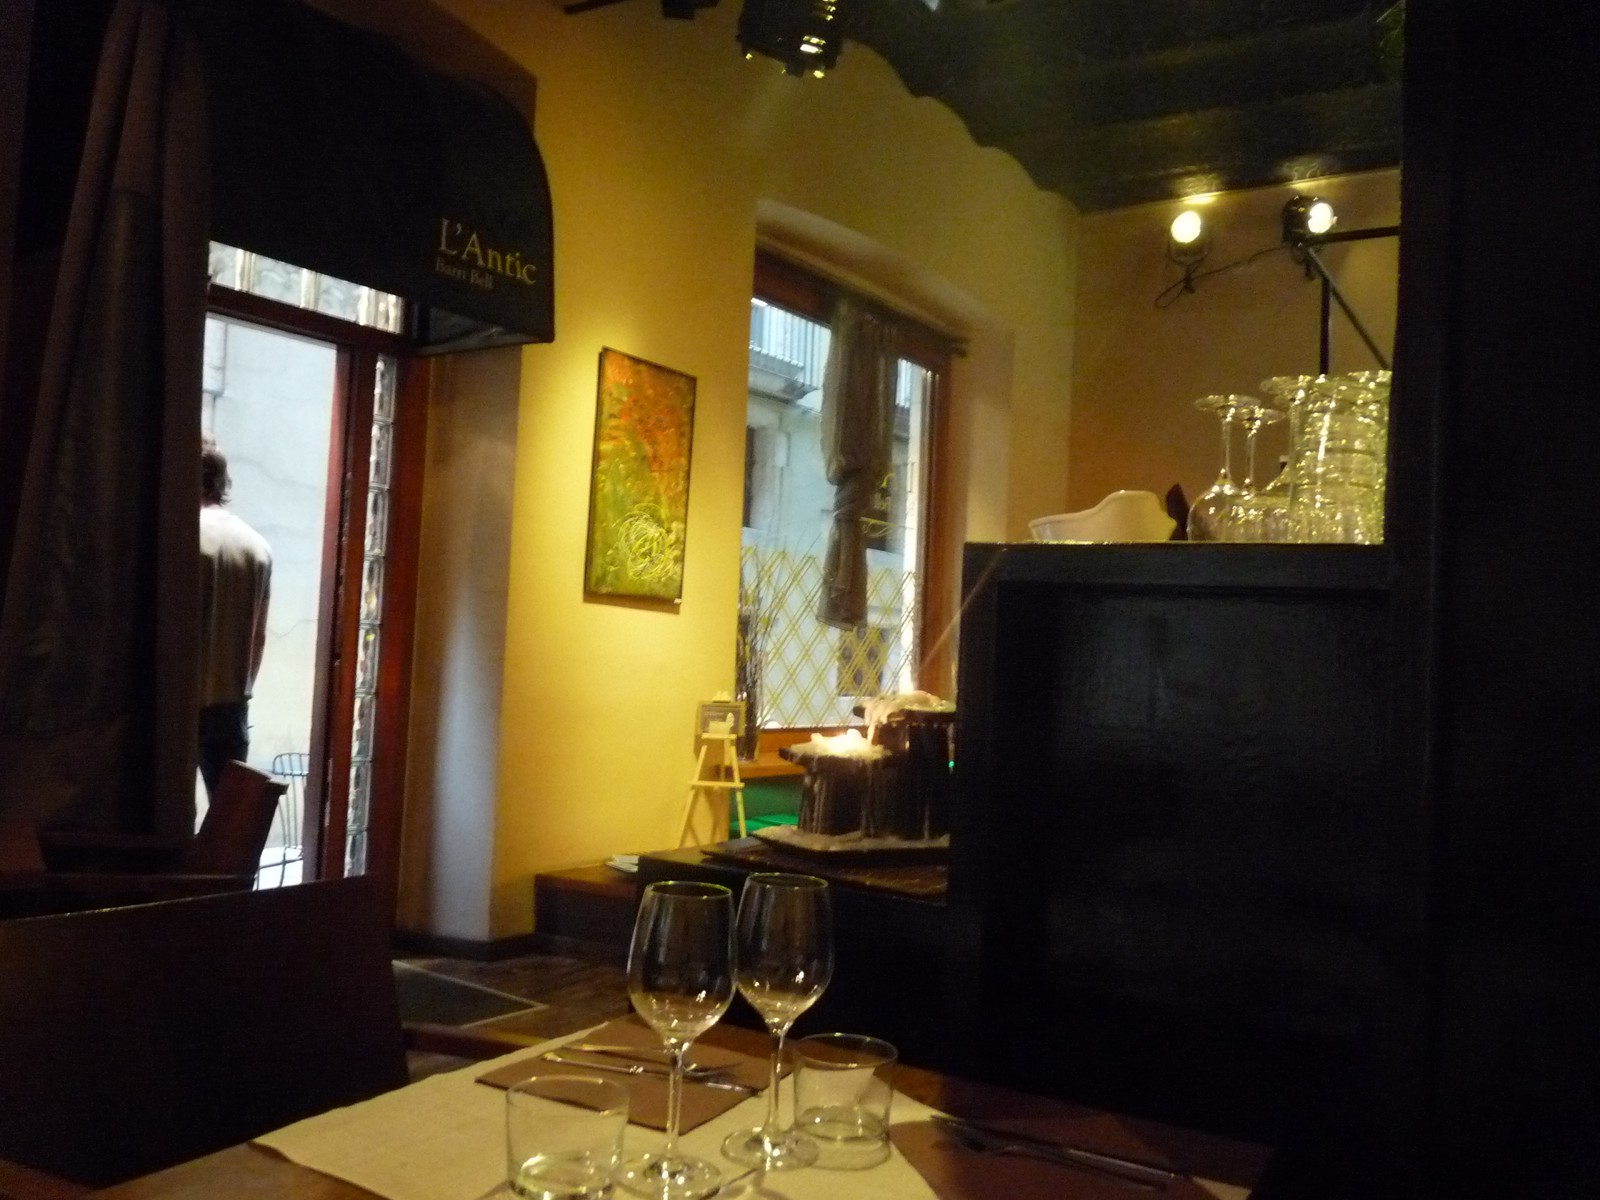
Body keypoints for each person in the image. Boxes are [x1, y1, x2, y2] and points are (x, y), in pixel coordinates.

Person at [198, 436, 272, 802]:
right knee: (229, 817)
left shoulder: (180, 536)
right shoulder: (258, 548)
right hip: (231, 705)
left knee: (166, 819)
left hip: (176, 701)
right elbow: (258, 634)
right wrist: (243, 689)